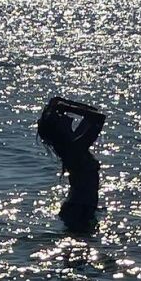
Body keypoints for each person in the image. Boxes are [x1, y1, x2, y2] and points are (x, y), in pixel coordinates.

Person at [37, 95, 106, 233]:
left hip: (80, 207)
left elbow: (94, 112)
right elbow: (99, 118)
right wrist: (66, 107)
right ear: (58, 130)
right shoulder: (75, 148)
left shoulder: (74, 143)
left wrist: (62, 103)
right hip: (79, 209)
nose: (67, 117)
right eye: (61, 118)